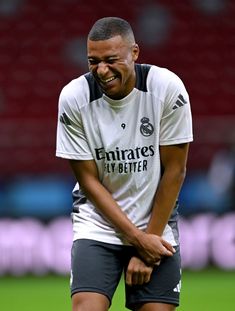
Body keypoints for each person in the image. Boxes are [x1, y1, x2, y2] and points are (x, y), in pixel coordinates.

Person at [56, 16, 193, 311]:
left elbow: (175, 170)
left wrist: (149, 241)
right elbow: (88, 181)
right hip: (98, 224)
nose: (101, 71)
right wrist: (136, 239)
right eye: (93, 61)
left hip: (155, 224)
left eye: (111, 60)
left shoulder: (167, 88)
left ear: (135, 53)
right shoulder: (74, 97)